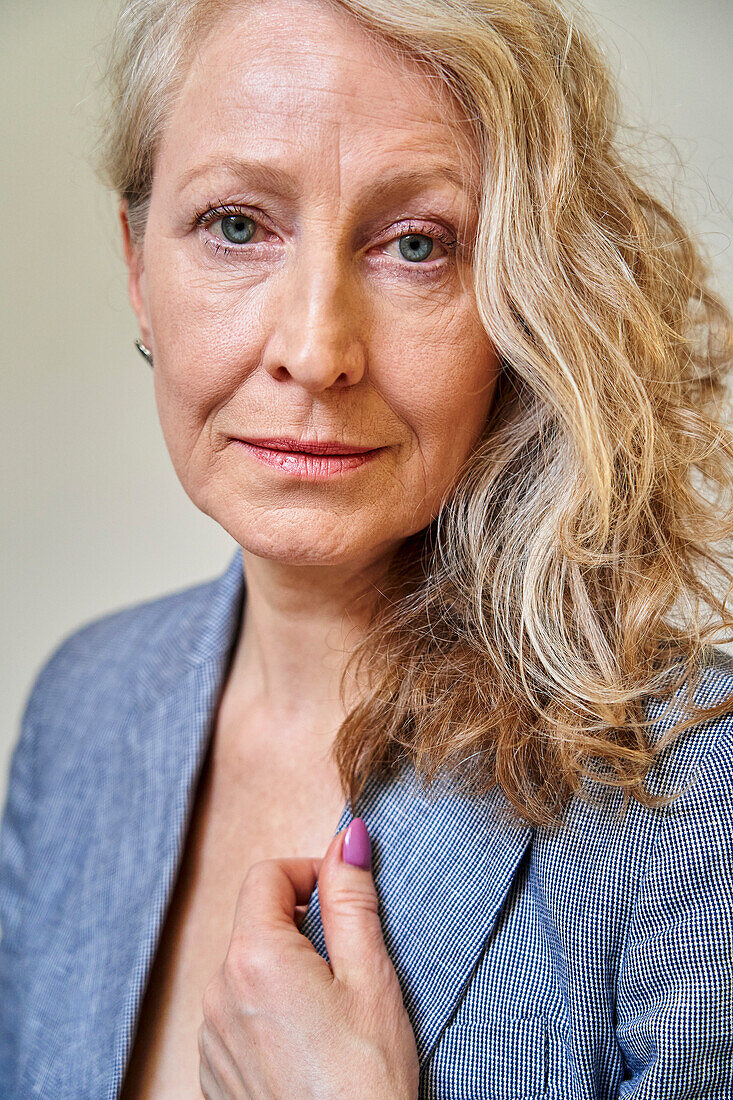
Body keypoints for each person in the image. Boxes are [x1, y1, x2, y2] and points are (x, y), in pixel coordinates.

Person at [2, 0, 733, 1096]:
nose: (314, 348)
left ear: (520, 300)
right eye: (237, 225)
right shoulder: (83, 708)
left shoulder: (687, 790)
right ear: (138, 265)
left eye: (415, 244)